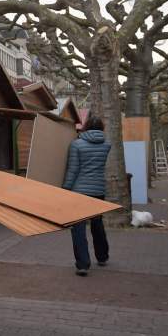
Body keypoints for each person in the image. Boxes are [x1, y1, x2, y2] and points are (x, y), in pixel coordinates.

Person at [61, 115, 111, 276]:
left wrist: (65, 189)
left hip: (79, 192)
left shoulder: (76, 145)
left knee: (78, 228)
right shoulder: (107, 145)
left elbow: (73, 170)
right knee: (97, 224)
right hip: (98, 191)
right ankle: (102, 256)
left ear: (86, 127)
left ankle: (83, 264)